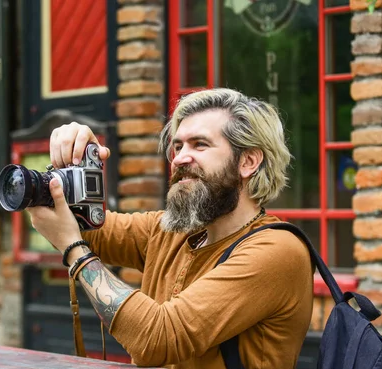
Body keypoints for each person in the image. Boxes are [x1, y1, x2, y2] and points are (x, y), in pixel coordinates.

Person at [27, 88, 313, 369]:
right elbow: (84, 226)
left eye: (200, 144)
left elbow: (158, 339)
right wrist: (70, 161)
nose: (179, 158)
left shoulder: (277, 252)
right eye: (178, 146)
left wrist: (76, 252)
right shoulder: (170, 230)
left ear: (248, 161)